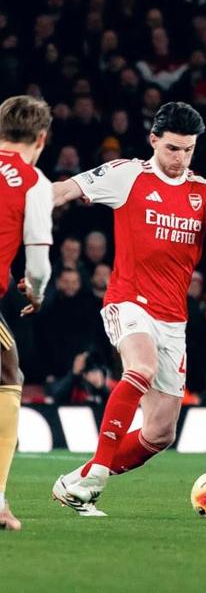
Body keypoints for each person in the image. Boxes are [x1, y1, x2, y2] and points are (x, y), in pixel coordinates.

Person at [51, 101, 206, 516]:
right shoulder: (127, 175)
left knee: (160, 432)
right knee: (139, 367)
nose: (180, 158)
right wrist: (21, 209)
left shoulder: (204, 191)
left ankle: (75, 481)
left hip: (173, 318)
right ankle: (96, 477)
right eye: (173, 148)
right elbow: (63, 190)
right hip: (128, 301)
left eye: (188, 150)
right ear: (154, 140)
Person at [0, 95, 54, 531]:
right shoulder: (33, 181)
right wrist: (35, 292)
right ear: (41, 139)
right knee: (8, 373)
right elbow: (37, 266)